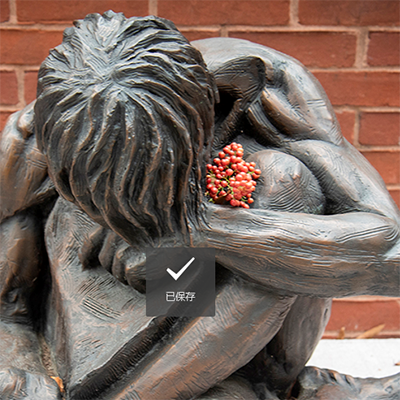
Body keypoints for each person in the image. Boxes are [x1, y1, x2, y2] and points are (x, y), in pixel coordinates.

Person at [0, 11, 398, 400]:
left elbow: (390, 255)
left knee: (284, 185)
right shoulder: (37, 134)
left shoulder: (269, 89)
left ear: (201, 123)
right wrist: (22, 364)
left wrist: (197, 228)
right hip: (100, 315)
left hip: (205, 300)